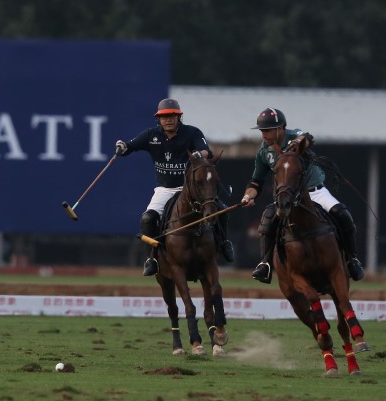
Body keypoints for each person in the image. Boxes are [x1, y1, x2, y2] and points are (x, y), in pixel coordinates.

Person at [239, 107, 365, 284]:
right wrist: (248, 196)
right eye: (262, 131)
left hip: (315, 192)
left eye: (267, 130)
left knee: (343, 214)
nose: (264, 135)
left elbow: (307, 137)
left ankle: (352, 259)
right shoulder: (263, 152)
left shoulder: (293, 136)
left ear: (281, 128)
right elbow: (256, 182)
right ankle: (265, 264)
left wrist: (298, 142)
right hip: (287, 198)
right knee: (267, 219)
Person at [114, 98, 235, 276]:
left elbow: (206, 151)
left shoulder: (192, 133)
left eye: (172, 116)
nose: (168, 120)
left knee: (221, 209)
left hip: (190, 189)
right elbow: (130, 146)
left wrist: (197, 153)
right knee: (147, 219)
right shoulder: (151, 135)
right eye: (164, 117)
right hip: (165, 189)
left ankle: (224, 242)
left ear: (179, 117)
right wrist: (122, 146)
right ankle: (152, 258)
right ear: (159, 119)